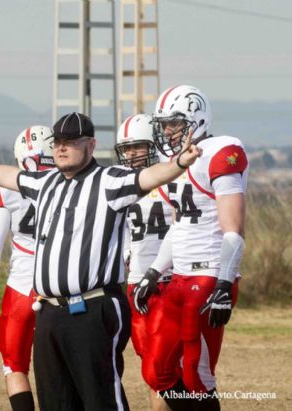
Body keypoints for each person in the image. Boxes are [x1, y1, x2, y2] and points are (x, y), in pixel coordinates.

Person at [0, 111, 202, 410]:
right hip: (48, 310)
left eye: (71, 141)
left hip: (92, 307)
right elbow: (5, 175)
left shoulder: (109, 181)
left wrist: (180, 162)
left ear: (91, 145)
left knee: (100, 399)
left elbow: (149, 176)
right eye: (58, 142)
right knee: (56, 402)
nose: (61, 147)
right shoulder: (45, 183)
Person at [134, 85, 248, 411]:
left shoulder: (221, 152)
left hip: (211, 274)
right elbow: (181, 226)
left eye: (173, 123)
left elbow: (233, 230)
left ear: (196, 119)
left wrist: (225, 283)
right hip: (180, 276)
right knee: (157, 370)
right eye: (164, 124)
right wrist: (155, 271)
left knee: (196, 375)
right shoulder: (176, 163)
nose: (167, 132)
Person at [0, 125, 54, 411]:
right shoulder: (71, 181)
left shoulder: (7, 186)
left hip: (21, 289)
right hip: (61, 286)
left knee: (15, 367)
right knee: (62, 369)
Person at [115, 114, 174, 411]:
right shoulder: (120, 183)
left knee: (163, 369)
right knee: (150, 367)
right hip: (135, 281)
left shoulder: (172, 177)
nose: (131, 154)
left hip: (169, 281)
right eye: (126, 148)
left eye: (137, 146)